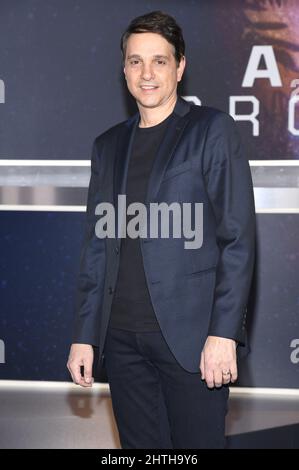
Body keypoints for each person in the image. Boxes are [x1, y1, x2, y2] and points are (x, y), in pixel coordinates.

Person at [67, 10, 256, 449]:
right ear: (124, 69)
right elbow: (97, 248)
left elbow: (237, 240)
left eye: (159, 60)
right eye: (136, 61)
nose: (146, 73)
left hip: (191, 344)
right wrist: (85, 337)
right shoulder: (107, 146)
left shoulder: (211, 130)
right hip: (122, 342)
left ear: (180, 67)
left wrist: (223, 333)